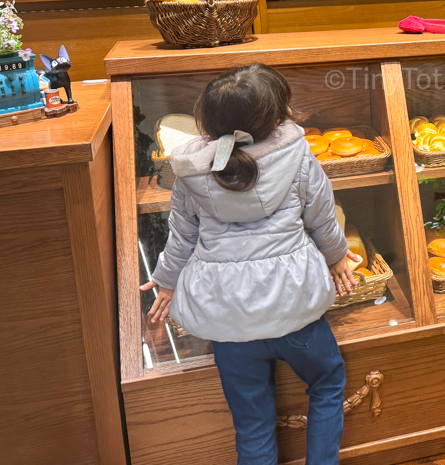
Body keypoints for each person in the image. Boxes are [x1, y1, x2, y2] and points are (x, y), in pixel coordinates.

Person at [140, 64, 359, 464]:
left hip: (228, 320)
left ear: (206, 122)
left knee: (253, 422)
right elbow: (322, 218)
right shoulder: (298, 155)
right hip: (295, 307)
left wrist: (166, 282)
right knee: (327, 385)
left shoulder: (190, 170)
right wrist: (338, 257)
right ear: (276, 117)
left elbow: (182, 236)